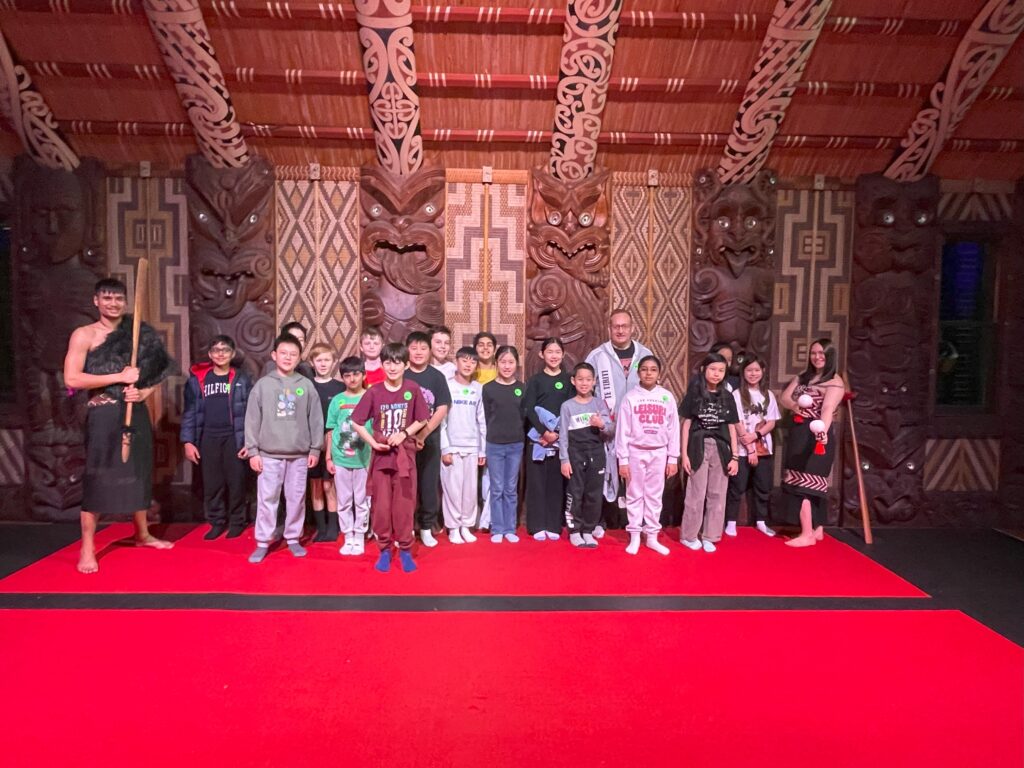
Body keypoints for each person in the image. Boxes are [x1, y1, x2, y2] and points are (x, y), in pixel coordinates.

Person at [63, 278, 176, 574]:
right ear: (96, 301)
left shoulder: (137, 332)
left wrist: (141, 392)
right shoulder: (84, 335)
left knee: (137, 471)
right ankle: (87, 547)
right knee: (98, 475)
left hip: (134, 411)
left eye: (118, 299)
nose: (113, 304)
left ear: (125, 302)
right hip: (103, 414)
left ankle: (142, 533)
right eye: (107, 298)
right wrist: (119, 377)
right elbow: (72, 379)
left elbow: (158, 372)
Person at [350, 342, 430, 573]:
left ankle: (405, 549)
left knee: (404, 506)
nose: (392, 367)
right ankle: (384, 549)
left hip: (405, 457)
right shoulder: (374, 391)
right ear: (381, 364)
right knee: (381, 508)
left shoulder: (412, 388)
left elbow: (423, 419)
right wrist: (373, 442)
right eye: (387, 362)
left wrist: (404, 433)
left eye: (397, 362)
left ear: (406, 364)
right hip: (382, 459)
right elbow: (356, 421)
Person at [244, 334, 323, 563]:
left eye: (293, 354)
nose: (288, 357)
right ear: (274, 355)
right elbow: (252, 419)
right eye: (284, 353)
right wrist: (253, 451)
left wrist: (315, 449)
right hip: (268, 455)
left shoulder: (305, 385)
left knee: (296, 498)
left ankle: (293, 538)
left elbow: (316, 420)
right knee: (267, 498)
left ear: (299, 359)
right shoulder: (263, 385)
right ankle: (262, 541)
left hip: (298, 455)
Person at [585, 308, 653, 533]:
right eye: (616, 326)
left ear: (632, 328)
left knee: (635, 477)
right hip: (605, 429)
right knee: (603, 475)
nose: (621, 330)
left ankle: (633, 523)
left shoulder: (644, 355)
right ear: (609, 328)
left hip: (637, 431)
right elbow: (586, 390)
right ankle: (600, 521)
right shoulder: (597, 356)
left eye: (625, 326)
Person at [181, 335, 253, 540]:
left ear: (232, 353)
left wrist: (250, 441)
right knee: (213, 483)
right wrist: (188, 441)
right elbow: (189, 412)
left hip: (234, 438)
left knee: (236, 482)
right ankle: (216, 522)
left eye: (225, 350)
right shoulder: (197, 380)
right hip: (207, 438)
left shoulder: (241, 378)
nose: (220, 354)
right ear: (210, 354)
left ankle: (237, 521)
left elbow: (251, 412)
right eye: (216, 350)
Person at [779, 338, 846, 547]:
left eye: (822, 354)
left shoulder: (834, 382)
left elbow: (826, 410)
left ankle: (807, 533)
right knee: (797, 479)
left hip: (817, 435)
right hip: (798, 432)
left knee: (808, 484)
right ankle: (817, 529)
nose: (817, 357)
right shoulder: (802, 377)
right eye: (814, 353)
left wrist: (822, 432)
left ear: (830, 356)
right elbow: (784, 397)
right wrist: (793, 405)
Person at [615, 355, 679, 556]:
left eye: (653, 369)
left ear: (659, 373)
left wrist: (673, 458)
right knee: (634, 494)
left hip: (659, 452)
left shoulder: (667, 397)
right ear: (638, 373)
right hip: (635, 451)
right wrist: (622, 460)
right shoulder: (630, 397)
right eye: (644, 369)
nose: (648, 373)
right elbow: (622, 431)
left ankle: (651, 536)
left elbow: (674, 429)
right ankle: (634, 534)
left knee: (654, 496)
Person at [680, 352, 739, 553]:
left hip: (722, 448)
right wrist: (684, 455)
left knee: (717, 494)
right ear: (704, 369)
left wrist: (735, 457)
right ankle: (688, 535)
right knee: (696, 493)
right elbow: (686, 425)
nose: (716, 374)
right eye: (713, 369)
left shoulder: (728, 396)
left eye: (721, 370)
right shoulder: (694, 394)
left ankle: (710, 536)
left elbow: (732, 427)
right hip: (698, 446)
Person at [522, 337, 575, 540]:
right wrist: (544, 433)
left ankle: (553, 524)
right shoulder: (535, 381)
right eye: (549, 352)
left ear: (563, 355)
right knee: (536, 483)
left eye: (557, 352)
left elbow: (571, 409)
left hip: (560, 439)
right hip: (538, 439)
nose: (553, 355)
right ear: (541, 354)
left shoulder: (568, 380)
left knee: (555, 483)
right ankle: (537, 525)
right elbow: (529, 409)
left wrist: (558, 435)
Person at [403, 331, 452, 547]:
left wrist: (424, 433)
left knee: (428, 484)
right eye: (414, 348)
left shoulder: (436, 376)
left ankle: (425, 527)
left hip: (430, 440)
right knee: (405, 486)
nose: (419, 352)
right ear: (407, 350)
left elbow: (443, 407)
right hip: (403, 441)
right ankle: (405, 527)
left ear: (429, 350)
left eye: (423, 348)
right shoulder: (401, 374)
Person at [559, 362, 614, 548]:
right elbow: (563, 436)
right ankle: (575, 530)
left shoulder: (599, 404)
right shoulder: (567, 406)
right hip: (575, 454)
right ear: (573, 381)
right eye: (580, 379)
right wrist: (564, 460)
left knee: (594, 494)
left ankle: (588, 530)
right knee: (575, 492)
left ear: (594, 382)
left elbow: (610, 430)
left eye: (588, 379)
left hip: (596, 454)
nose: (584, 383)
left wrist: (601, 424)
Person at [727, 356, 780, 538]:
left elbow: (771, 422)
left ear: (763, 371)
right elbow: (737, 423)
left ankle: (761, 522)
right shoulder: (736, 394)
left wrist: (756, 436)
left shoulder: (768, 395)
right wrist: (750, 449)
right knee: (736, 487)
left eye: (757, 370)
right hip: (741, 450)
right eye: (749, 370)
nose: (753, 374)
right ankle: (731, 522)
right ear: (743, 372)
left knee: (762, 487)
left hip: (764, 449)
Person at [325, 356, 372, 556]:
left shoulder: (371, 397)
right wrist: (328, 457)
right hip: (341, 457)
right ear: (342, 377)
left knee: (362, 500)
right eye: (347, 375)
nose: (352, 379)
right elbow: (330, 430)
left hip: (363, 459)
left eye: (356, 374)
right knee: (343, 500)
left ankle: (360, 535)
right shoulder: (337, 400)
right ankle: (348, 535)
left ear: (363, 375)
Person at [440, 347, 487, 543]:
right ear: (456, 362)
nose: (468, 365)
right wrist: (445, 448)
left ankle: (467, 525)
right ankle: (453, 527)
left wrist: (482, 449)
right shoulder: (447, 386)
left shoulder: (478, 388)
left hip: (472, 447)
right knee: (452, 489)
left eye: (472, 361)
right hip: (452, 446)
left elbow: (481, 421)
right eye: (464, 360)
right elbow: (441, 421)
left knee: (469, 491)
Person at [482, 345, 525, 543]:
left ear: (516, 364)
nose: (507, 366)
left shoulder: (522, 388)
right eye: (503, 362)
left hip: (516, 444)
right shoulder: (488, 388)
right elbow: (487, 416)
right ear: (496, 363)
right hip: (495, 444)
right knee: (497, 488)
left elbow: (523, 417)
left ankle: (510, 528)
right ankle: (497, 528)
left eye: (511, 362)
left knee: (510, 488)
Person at [308, 343, 345, 542]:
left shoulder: (340, 387)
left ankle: (333, 526)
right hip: (311, 444)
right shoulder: (306, 386)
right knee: (315, 486)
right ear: (312, 362)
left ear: (334, 362)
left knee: (330, 484)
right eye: (319, 360)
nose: (323, 364)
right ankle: (320, 527)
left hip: (334, 443)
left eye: (327, 360)